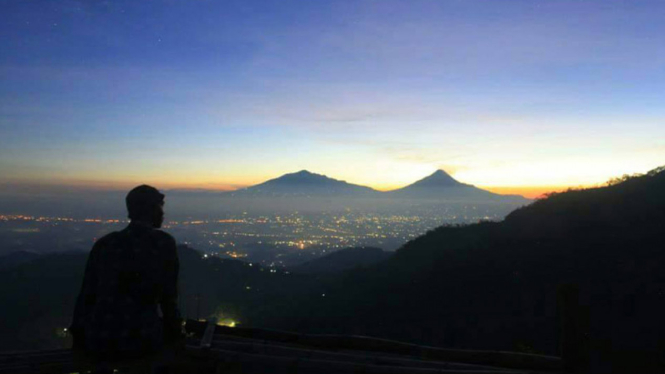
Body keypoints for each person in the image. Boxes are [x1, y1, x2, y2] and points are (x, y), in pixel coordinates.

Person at [70, 185, 184, 363]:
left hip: (99, 337)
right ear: (151, 210)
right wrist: (176, 334)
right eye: (160, 207)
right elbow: (169, 297)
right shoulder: (162, 244)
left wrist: (79, 337)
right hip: (140, 339)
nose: (163, 213)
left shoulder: (105, 244)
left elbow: (87, 295)